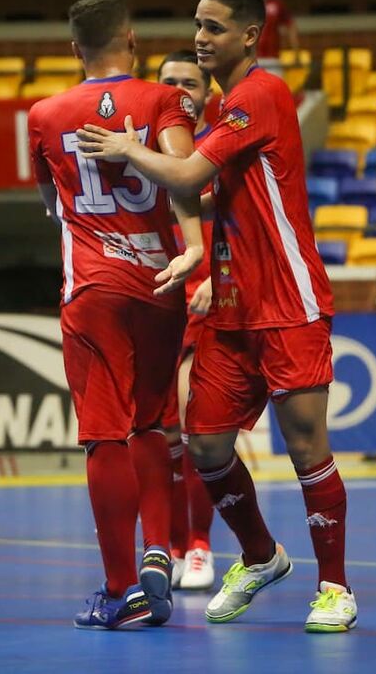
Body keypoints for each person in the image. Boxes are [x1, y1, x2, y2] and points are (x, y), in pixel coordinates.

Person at [77, 0, 356, 633]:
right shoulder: (224, 108)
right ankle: (259, 556)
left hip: (288, 301)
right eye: (197, 26)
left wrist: (123, 147)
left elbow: (188, 176)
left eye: (213, 28)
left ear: (250, 35)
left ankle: (336, 588)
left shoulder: (261, 95)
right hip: (230, 308)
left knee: (307, 446)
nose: (201, 38)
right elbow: (202, 195)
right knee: (204, 446)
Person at [27, 0, 204, 630]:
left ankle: (122, 589)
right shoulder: (162, 99)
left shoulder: (44, 114)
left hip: (94, 289)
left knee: (105, 434)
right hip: (162, 281)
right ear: (131, 40)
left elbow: (50, 201)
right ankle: (161, 546)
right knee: (154, 422)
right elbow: (188, 177)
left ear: (76, 49)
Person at [157, 50, 218, 592]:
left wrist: (221, 280)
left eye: (189, 82)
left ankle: (199, 546)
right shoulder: (139, 149)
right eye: (168, 82)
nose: (179, 89)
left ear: (206, 93)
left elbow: (249, 228)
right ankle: (172, 545)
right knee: (161, 437)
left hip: (209, 305)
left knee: (196, 430)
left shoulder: (221, 147)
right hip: (154, 298)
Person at [246, 0, 300, 78]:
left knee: (275, 91)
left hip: (272, 59)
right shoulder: (243, 8)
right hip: (251, 60)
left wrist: (296, 52)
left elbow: (291, 26)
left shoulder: (276, 5)